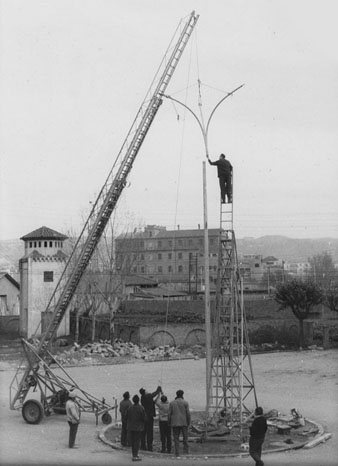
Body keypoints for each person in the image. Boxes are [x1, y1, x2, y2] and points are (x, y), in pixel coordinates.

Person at [168, 389, 191, 457]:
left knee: (176, 438)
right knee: (185, 438)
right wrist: (188, 422)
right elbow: (188, 414)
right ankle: (186, 451)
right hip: (184, 422)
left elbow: (169, 414)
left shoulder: (172, 403)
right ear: (182, 395)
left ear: (176, 395)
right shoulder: (185, 403)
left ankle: (177, 452)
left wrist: (169, 422)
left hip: (175, 422)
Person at [139, 385, 161, 451]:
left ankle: (143, 445)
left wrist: (158, 395)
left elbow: (152, 401)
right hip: (149, 416)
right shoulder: (147, 396)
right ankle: (149, 447)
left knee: (143, 432)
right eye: (146, 390)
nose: (147, 391)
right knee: (149, 432)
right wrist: (158, 389)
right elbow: (153, 394)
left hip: (144, 416)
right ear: (144, 392)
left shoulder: (143, 397)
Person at [126, 394, 145, 462]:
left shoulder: (130, 408)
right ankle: (135, 456)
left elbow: (126, 416)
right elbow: (143, 418)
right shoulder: (141, 408)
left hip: (131, 426)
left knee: (133, 441)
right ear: (138, 400)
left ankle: (134, 454)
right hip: (138, 427)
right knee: (136, 441)